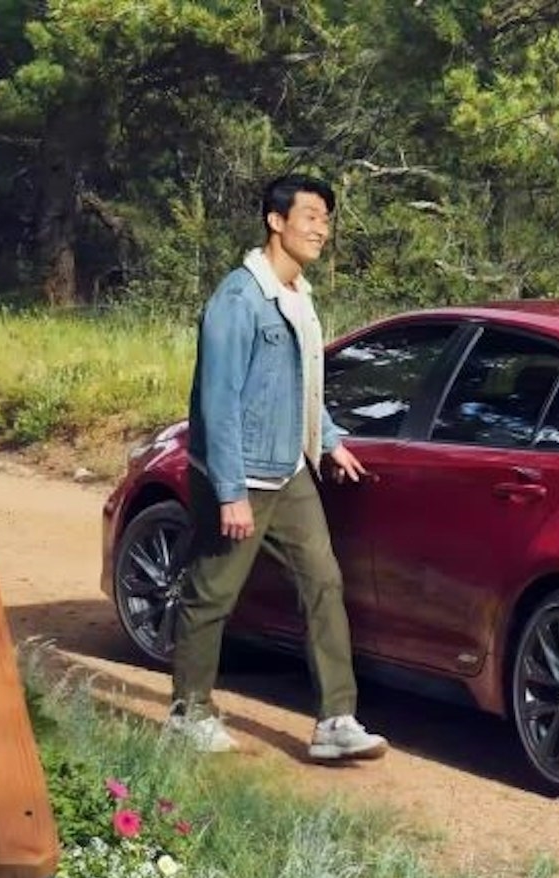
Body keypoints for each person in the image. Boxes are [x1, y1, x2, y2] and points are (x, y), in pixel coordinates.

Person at [165, 172, 386, 762]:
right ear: (275, 220)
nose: (322, 229)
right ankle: (189, 713)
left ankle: (336, 720)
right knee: (212, 595)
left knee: (324, 582)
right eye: (311, 216)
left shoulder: (299, 296)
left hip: (289, 470)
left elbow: (300, 385)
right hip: (240, 477)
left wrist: (331, 441)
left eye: (326, 219)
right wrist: (230, 491)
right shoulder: (238, 299)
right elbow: (218, 401)